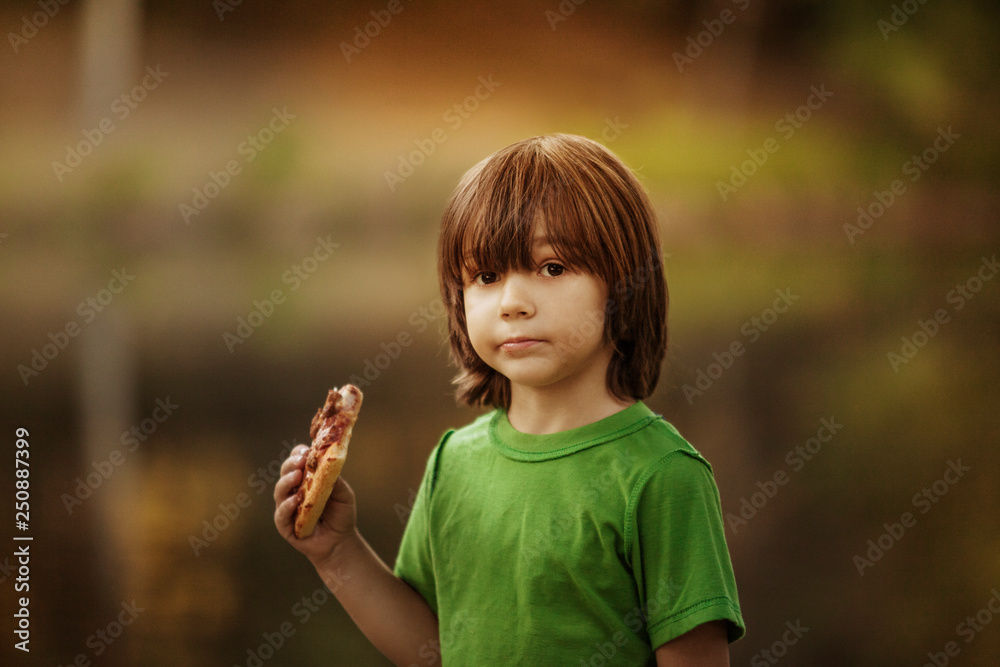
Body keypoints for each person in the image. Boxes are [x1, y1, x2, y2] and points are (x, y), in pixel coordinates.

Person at [274, 134, 745, 665]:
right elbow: (432, 651)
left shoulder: (663, 477)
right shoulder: (453, 463)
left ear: (625, 284)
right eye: (487, 276)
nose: (513, 303)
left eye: (552, 268)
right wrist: (337, 550)